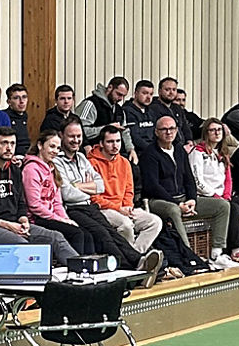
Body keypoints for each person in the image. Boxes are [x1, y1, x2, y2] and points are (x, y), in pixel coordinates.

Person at [54, 120, 162, 280]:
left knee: (113, 232)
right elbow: (67, 193)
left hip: (90, 206)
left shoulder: (82, 159)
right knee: (104, 233)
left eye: (79, 136)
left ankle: (138, 261)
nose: (76, 140)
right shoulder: (58, 161)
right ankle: (132, 268)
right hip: (72, 208)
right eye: (71, 136)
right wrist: (86, 188)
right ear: (62, 136)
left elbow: (100, 185)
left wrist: (77, 185)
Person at [0, 126, 79, 272]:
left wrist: (23, 220)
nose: (9, 148)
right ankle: (31, 290)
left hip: (16, 224)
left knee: (56, 237)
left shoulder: (14, 170)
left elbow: (21, 203)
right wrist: (8, 225)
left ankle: (82, 273)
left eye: (12, 144)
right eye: (4, 143)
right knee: (23, 245)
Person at [137, 116, 230, 262]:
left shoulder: (179, 150)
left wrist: (192, 199)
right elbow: (152, 186)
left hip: (183, 198)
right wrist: (178, 205)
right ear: (156, 132)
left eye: (172, 129)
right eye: (164, 129)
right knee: (173, 211)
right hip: (158, 200)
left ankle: (216, 253)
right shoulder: (150, 154)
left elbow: (189, 179)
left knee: (222, 206)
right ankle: (188, 254)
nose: (169, 132)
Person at [188, 120, 239, 264]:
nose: (217, 133)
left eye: (219, 130)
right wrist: (216, 196)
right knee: (233, 208)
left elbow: (228, 179)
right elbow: (197, 181)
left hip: (223, 196)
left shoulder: (222, 152)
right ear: (206, 133)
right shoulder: (198, 152)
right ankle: (236, 251)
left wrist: (226, 195)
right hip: (205, 196)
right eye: (212, 130)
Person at [19, 133, 98, 258]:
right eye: (52, 146)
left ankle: (90, 268)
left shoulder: (52, 168)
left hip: (52, 216)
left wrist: (66, 219)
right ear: (40, 145)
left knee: (87, 234)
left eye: (58, 148)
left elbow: (57, 202)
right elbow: (34, 205)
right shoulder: (31, 169)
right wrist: (59, 219)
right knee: (76, 234)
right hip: (37, 218)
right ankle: (74, 269)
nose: (55, 151)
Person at [87, 124, 163, 251]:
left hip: (124, 208)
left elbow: (129, 190)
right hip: (104, 209)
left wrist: (127, 206)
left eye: (118, 141)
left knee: (155, 222)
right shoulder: (91, 163)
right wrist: (118, 208)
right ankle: (132, 258)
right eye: (110, 142)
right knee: (126, 225)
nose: (115, 145)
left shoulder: (124, 162)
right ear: (101, 143)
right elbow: (94, 197)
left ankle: (135, 254)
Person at [79, 76, 133, 157]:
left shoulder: (119, 110)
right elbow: (81, 130)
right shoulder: (91, 104)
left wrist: (131, 150)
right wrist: (106, 128)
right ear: (110, 88)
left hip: (115, 154)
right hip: (93, 152)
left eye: (123, 96)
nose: (120, 99)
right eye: (118, 94)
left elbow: (125, 131)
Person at [122, 79, 163, 152]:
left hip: (155, 150)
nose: (148, 97)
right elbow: (134, 137)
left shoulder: (152, 111)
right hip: (138, 152)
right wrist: (152, 149)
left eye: (151, 94)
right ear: (136, 93)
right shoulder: (126, 111)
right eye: (144, 93)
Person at [156, 78, 195, 143]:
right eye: (167, 89)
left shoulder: (177, 108)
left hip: (184, 146)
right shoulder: (153, 108)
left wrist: (189, 140)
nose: (171, 92)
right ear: (159, 91)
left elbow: (185, 127)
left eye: (174, 89)